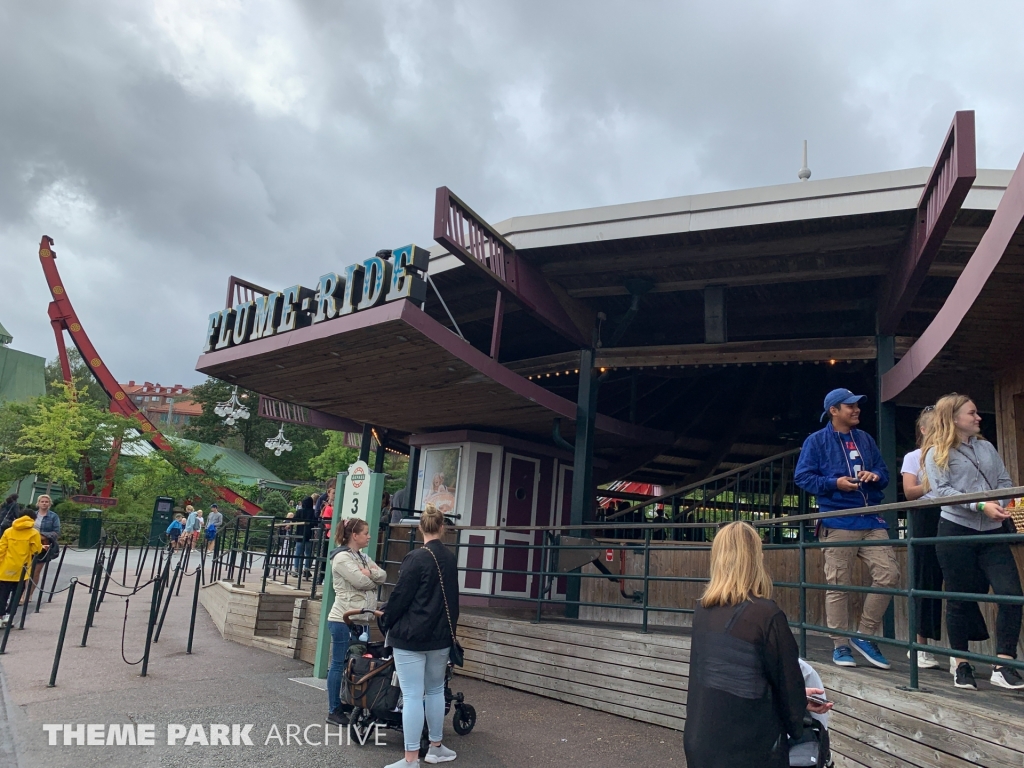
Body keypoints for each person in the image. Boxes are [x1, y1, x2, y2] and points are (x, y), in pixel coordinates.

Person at [683, 522, 831, 768]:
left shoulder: (703, 610)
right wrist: (796, 702)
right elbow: (787, 681)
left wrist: (792, 696)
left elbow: (727, 676)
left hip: (701, 741)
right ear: (753, 559)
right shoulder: (766, 615)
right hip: (748, 749)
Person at [922, 393, 1024, 691]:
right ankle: (961, 662)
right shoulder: (936, 452)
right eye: (973, 413)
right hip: (956, 530)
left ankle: (1003, 663)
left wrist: (1000, 503)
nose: (978, 417)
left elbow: (1004, 481)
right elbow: (943, 492)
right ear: (954, 418)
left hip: (992, 531)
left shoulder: (987, 447)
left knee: (1012, 594)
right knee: (958, 597)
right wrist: (980, 505)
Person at [794, 388, 899, 670]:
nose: (856, 409)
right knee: (838, 584)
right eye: (850, 406)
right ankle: (840, 645)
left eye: (857, 405)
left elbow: (884, 473)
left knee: (889, 574)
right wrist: (834, 483)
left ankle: (864, 636)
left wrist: (874, 476)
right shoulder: (815, 441)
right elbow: (802, 476)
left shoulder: (865, 438)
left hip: (871, 518)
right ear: (834, 411)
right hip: (837, 519)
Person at [382, 504, 460, 767]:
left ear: (419, 528)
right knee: (436, 690)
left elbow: (400, 597)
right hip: (440, 637)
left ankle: (411, 758)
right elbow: (454, 602)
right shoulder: (450, 559)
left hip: (410, 637)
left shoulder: (415, 558)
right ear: (442, 527)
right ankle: (436, 747)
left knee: (413, 694)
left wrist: (386, 620)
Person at [326, 517, 387, 726]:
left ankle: (347, 702)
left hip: (361, 619)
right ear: (355, 535)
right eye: (366, 532)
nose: (369, 536)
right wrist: (371, 577)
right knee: (338, 663)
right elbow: (360, 582)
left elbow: (383, 575)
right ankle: (333, 709)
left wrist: (369, 572)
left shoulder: (362, 557)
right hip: (343, 618)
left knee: (356, 664)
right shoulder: (342, 558)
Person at [900, 406, 943, 669]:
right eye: (936, 427)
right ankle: (920, 645)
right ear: (924, 430)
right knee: (925, 578)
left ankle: (960, 653)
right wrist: (934, 481)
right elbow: (909, 492)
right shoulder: (913, 456)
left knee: (959, 579)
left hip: (954, 512)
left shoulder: (954, 454)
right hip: (926, 514)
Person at [0, 509, 42, 626]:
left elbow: (1, 550)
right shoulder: (33, 533)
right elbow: (36, 550)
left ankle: (0, 616)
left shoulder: (9, 531)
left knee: (2, 594)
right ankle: (9, 615)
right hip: (22, 570)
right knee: (16, 594)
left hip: (5, 567)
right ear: (33, 519)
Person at [22, 495, 60, 606]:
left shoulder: (53, 516)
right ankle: (21, 593)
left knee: (35, 572)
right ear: (38, 503)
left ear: (49, 504)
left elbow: (56, 532)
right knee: (25, 571)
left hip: (44, 547)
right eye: (42, 501)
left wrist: (42, 536)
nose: (44, 503)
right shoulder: (32, 515)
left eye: (46, 502)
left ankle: (29, 594)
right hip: (29, 546)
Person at [292, 496, 317, 577]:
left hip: (299, 534)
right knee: (308, 553)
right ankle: (306, 570)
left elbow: (294, 520)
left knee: (298, 553)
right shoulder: (313, 512)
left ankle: (296, 569)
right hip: (309, 534)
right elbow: (315, 523)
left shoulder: (299, 511)